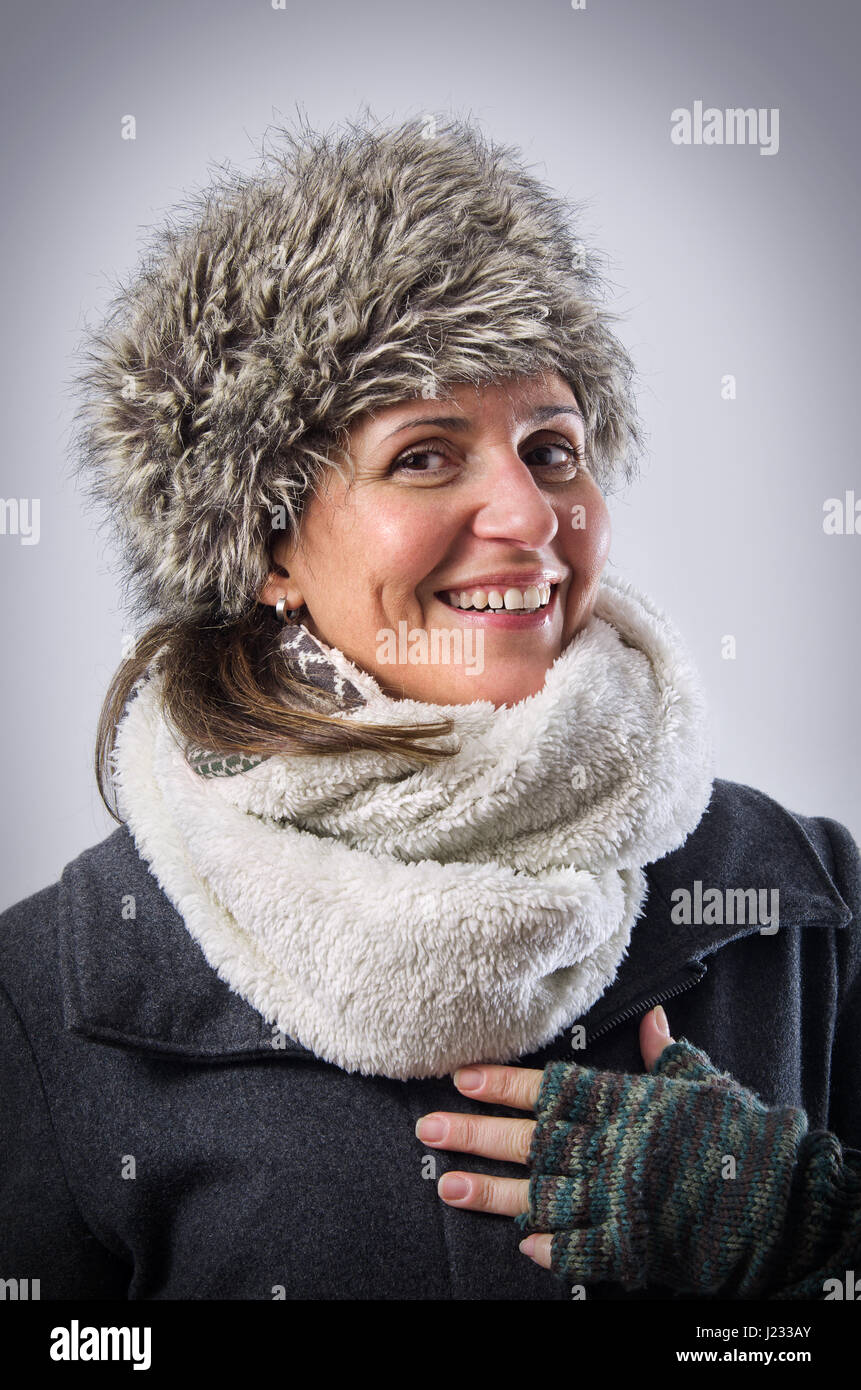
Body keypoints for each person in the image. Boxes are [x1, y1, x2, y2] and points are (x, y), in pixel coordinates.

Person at [0, 109, 858, 1301]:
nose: (526, 515)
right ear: (267, 547)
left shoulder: (799, 901)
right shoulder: (55, 992)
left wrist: (807, 1236)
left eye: (551, 447)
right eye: (424, 454)